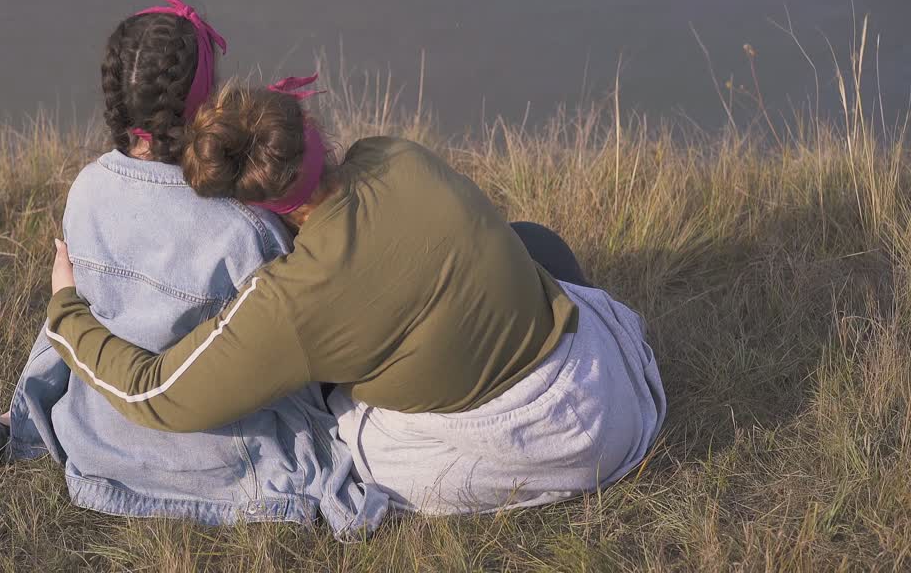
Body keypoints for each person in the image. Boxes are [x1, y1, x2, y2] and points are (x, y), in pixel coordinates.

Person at [0, 0, 387, 536]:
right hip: (228, 458)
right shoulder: (243, 226)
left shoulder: (86, 191)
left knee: (71, 305)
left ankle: (23, 424)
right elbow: (296, 335)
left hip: (99, 436)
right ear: (206, 107)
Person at [45, 83, 667, 514]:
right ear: (308, 127)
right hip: (603, 377)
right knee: (532, 242)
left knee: (335, 423)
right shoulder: (396, 155)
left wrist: (67, 313)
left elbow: (159, 396)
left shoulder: (292, 300)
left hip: (538, 442)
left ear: (248, 206)